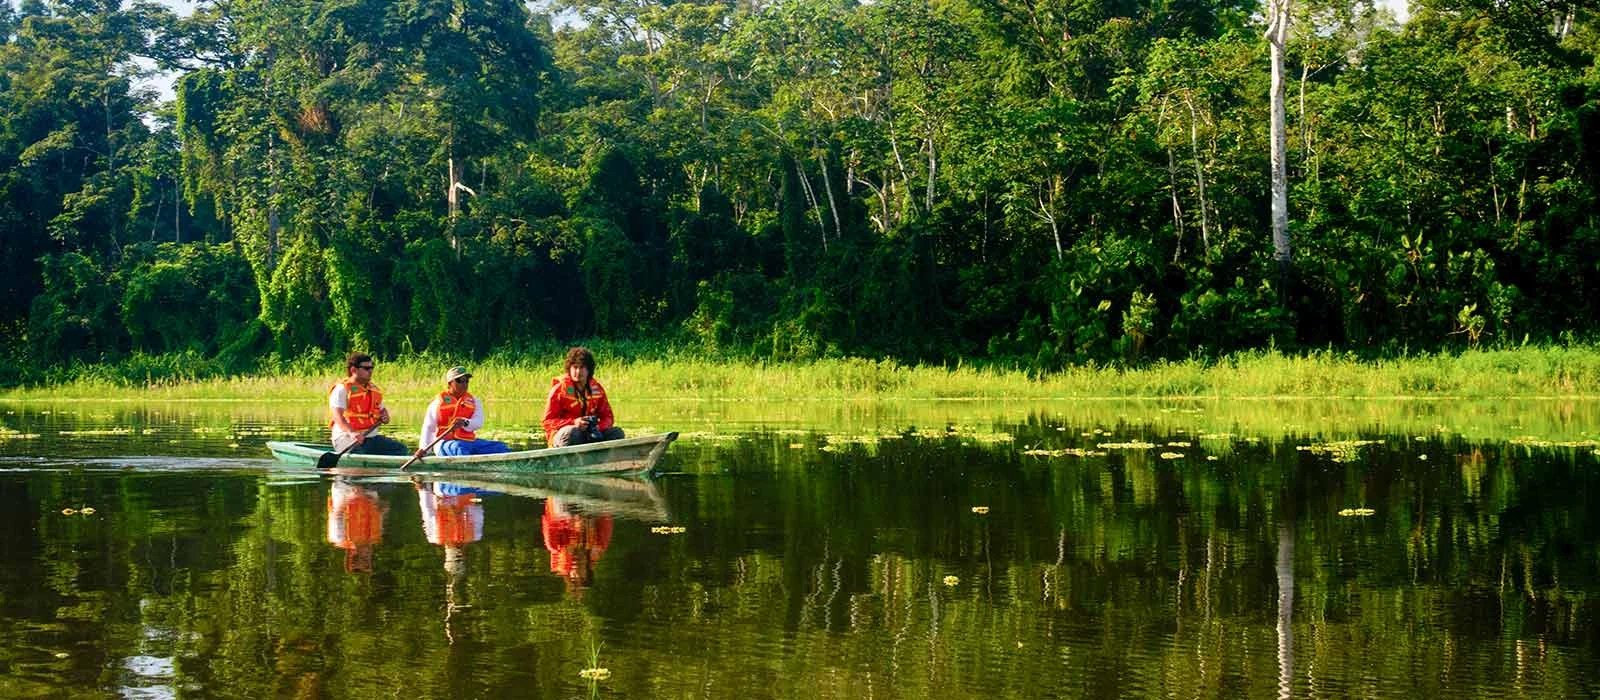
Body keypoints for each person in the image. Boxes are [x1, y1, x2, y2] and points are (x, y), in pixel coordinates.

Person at [416, 366, 512, 458]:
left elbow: (478, 422)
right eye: (459, 381)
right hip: (444, 443)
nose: (464, 384)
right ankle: (468, 468)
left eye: (466, 381)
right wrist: (423, 450)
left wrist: (465, 422)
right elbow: (428, 428)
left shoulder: (475, 401)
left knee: (501, 447)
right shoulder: (436, 403)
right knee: (460, 448)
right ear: (450, 383)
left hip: (469, 441)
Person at [542, 347, 625, 447]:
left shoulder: (597, 389)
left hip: (589, 434)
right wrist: (574, 422)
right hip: (565, 434)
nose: (578, 371)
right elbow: (547, 422)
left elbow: (608, 417)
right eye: (575, 367)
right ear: (569, 369)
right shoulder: (559, 390)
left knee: (617, 433)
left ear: (589, 370)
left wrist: (598, 427)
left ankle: (606, 461)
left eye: (582, 367)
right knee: (572, 432)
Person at [329, 352, 408, 455]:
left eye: (372, 368)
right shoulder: (342, 389)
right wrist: (352, 432)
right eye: (366, 368)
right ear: (353, 370)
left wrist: (385, 416)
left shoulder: (374, 390)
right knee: (363, 451)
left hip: (370, 438)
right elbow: (338, 417)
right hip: (347, 439)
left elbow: (383, 411)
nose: (370, 371)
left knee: (401, 449)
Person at [541, 498, 613, 593]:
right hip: (589, 507)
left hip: (564, 505)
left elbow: (549, 519)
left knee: (561, 510)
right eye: (582, 578)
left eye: (574, 579)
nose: (577, 574)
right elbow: (606, 517)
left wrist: (571, 519)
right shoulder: (600, 545)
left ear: (569, 575)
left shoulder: (554, 546)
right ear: (588, 572)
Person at [326, 478, 387, 573]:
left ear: (353, 554)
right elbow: (382, 509)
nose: (370, 554)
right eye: (368, 559)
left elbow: (337, 513)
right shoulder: (375, 537)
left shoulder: (338, 538)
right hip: (369, 490)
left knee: (354, 476)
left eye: (365, 558)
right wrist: (378, 503)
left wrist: (353, 494)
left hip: (345, 488)